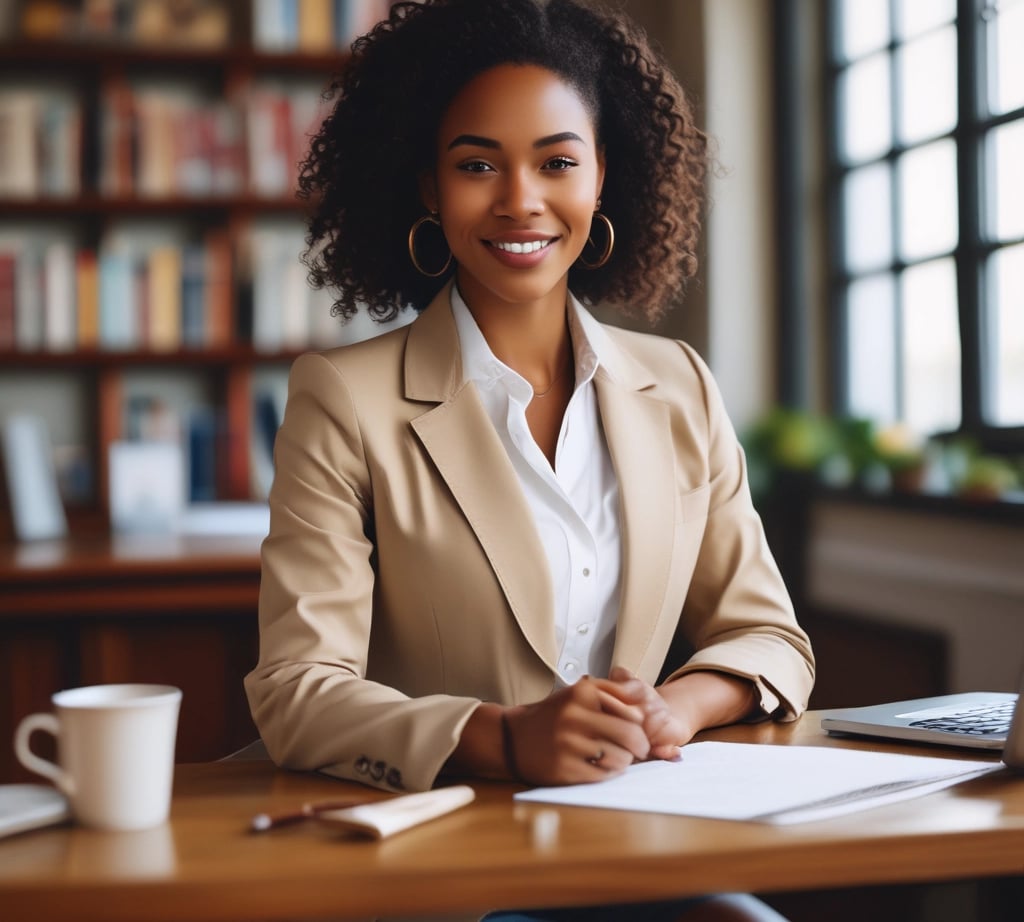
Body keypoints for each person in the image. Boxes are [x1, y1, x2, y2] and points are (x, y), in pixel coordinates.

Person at [245, 1, 814, 919]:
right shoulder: (343, 399)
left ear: (602, 176)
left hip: (635, 841)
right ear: (429, 187)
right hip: (439, 865)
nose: (520, 200)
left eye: (557, 162)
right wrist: (505, 737)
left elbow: (769, 639)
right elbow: (297, 693)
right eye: (477, 165)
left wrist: (674, 709)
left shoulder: (680, 386)